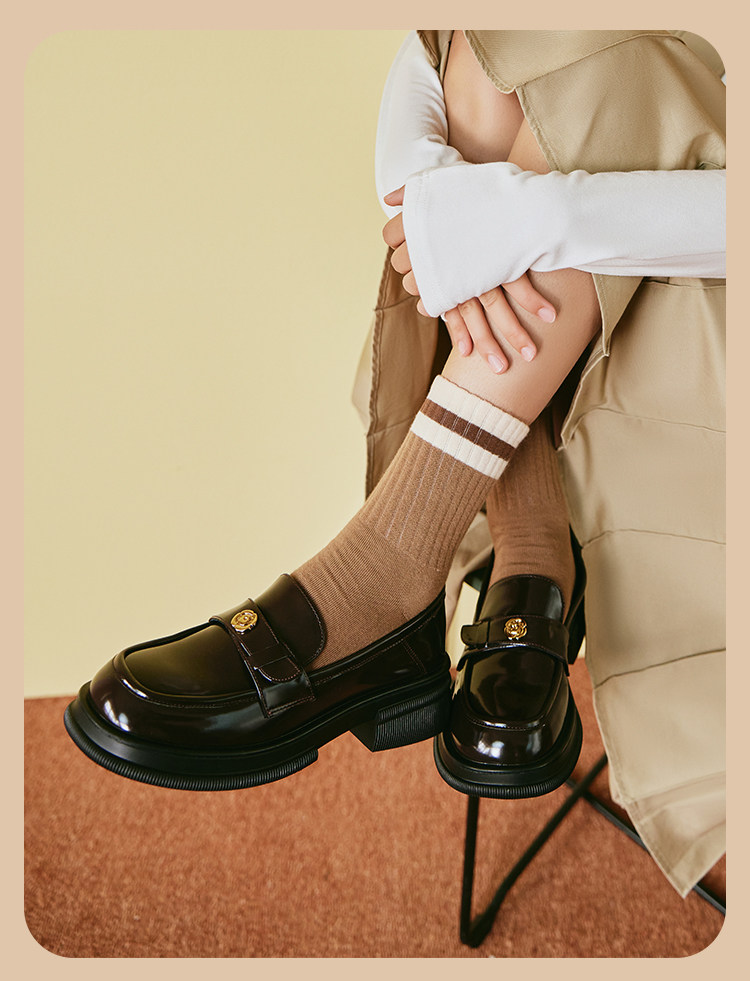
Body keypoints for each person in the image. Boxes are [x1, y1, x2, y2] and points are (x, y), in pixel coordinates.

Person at [64, 30, 725, 898]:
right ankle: (528, 557)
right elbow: (437, 48)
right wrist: (426, 182)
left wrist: (539, 216)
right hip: (588, 297)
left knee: (627, 69)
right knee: (502, 53)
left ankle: (413, 571)